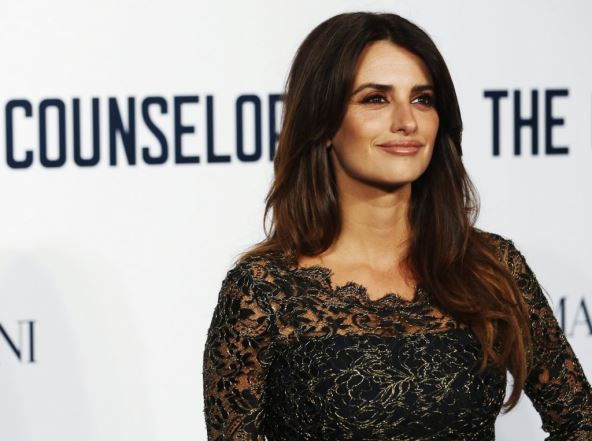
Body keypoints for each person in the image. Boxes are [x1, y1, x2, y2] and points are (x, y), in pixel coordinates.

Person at [202, 12, 592, 440]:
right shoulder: (264, 291)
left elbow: (580, 422)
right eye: (375, 99)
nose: (407, 121)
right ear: (324, 122)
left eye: (422, 99)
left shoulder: (491, 266)